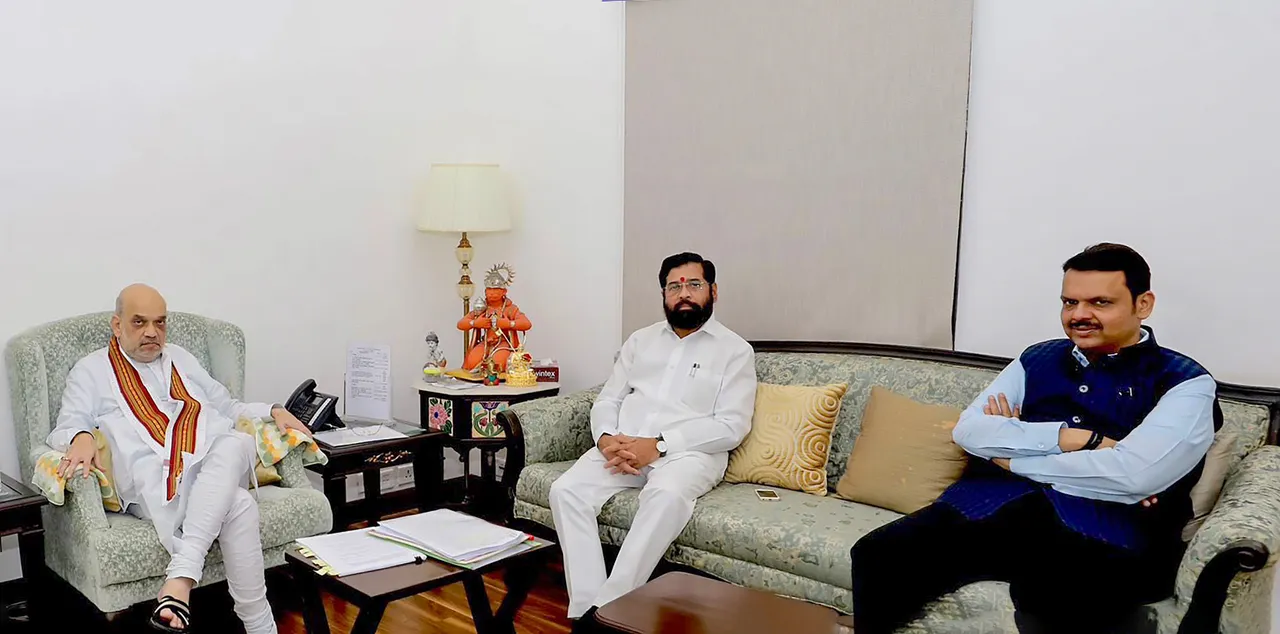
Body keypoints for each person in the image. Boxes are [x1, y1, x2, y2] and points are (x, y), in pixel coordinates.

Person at [850, 243, 1219, 634]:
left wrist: (1013, 457)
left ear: (1142, 304)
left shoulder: (1185, 381)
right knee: (877, 554)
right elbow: (970, 430)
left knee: (1051, 593)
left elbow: (1132, 476)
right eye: (1069, 302)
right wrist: (1078, 439)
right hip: (993, 508)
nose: (1079, 315)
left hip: (1111, 532)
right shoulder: (1038, 358)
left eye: (1099, 302)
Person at [49, 284, 314, 633]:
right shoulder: (91, 370)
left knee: (233, 444)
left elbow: (227, 406)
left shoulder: (181, 358)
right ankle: (258, 625)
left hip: (213, 462)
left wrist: (274, 410)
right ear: (116, 325)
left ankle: (181, 579)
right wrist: (80, 436)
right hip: (155, 482)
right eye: (139, 322)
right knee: (238, 504)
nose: (151, 332)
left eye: (160, 323)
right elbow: (68, 424)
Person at [549, 252, 758, 627]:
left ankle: (610, 609)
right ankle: (585, 608)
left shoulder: (735, 351)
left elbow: (732, 425)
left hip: (688, 454)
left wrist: (660, 445)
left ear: (713, 291)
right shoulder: (640, 341)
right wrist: (606, 439)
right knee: (566, 491)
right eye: (674, 286)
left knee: (665, 497)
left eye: (694, 285)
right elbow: (608, 399)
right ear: (663, 294)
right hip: (623, 447)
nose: (684, 294)